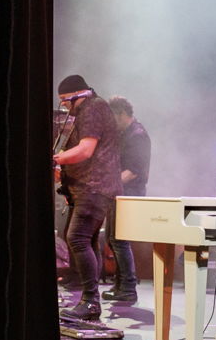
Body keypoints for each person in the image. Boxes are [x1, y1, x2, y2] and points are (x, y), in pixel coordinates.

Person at [51, 74, 121, 319]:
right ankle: (89, 301)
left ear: (78, 96)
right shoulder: (92, 108)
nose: (65, 107)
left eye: (65, 101)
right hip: (90, 187)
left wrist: (55, 159)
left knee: (77, 238)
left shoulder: (92, 108)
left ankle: (91, 301)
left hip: (94, 187)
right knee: (87, 241)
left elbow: (86, 149)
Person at [103, 96, 151, 302]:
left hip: (129, 193)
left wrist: (108, 186)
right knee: (113, 239)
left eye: (112, 117)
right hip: (121, 192)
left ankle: (128, 287)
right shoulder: (126, 134)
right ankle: (120, 285)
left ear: (122, 114)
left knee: (119, 239)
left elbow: (133, 171)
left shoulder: (137, 135)